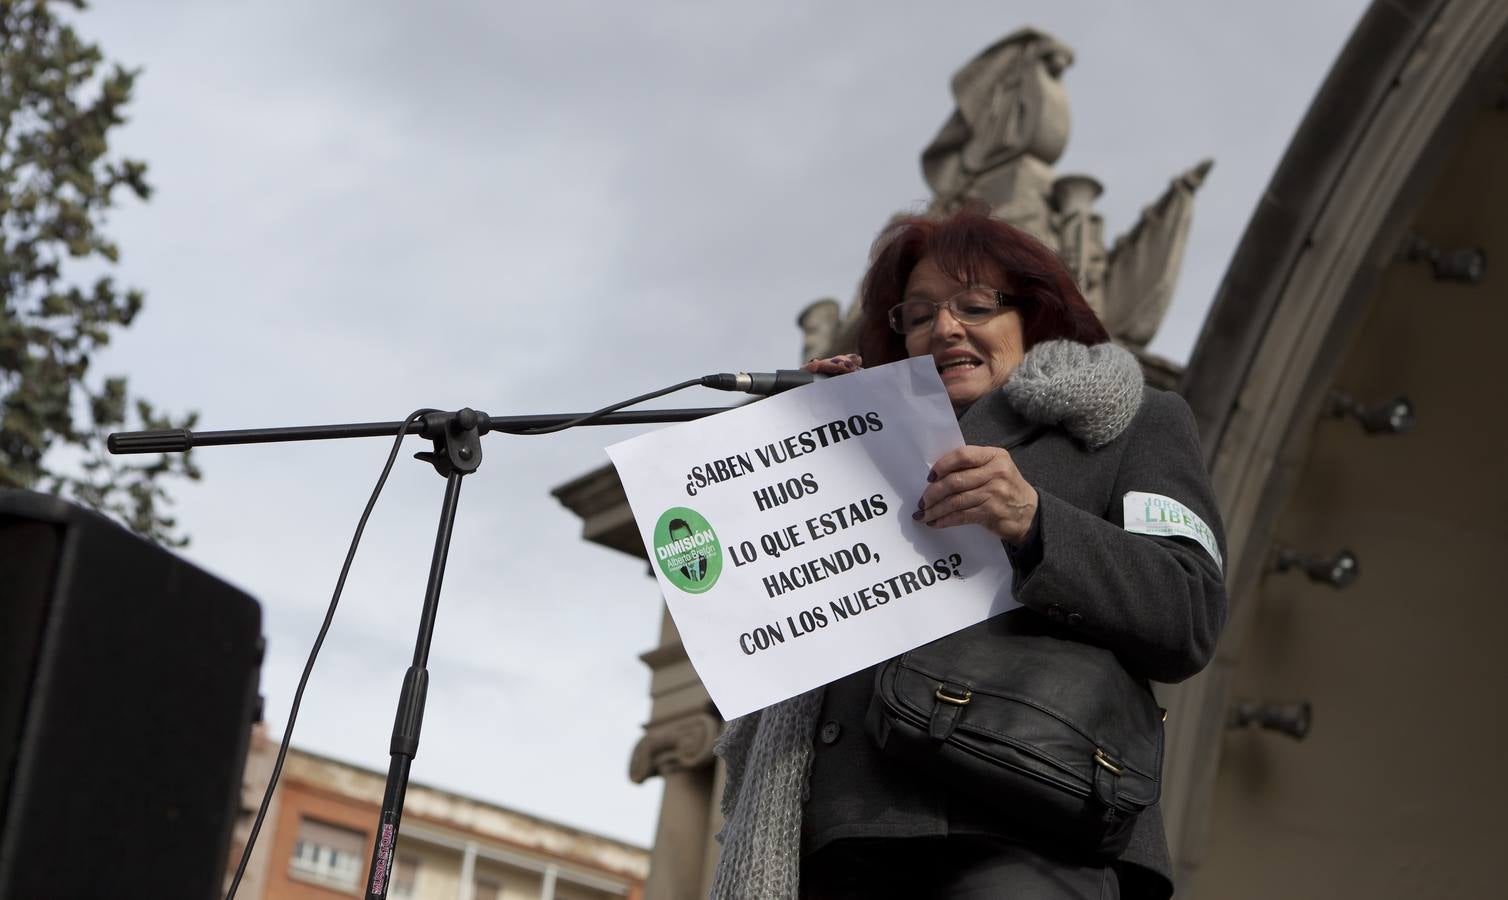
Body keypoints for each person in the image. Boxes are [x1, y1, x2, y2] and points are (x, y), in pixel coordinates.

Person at [710, 208, 1227, 900]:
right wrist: (808, 453)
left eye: (975, 305)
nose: (944, 327)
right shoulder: (856, 445)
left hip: (1031, 827)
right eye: (918, 316)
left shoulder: (1135, 424)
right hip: (841, 842)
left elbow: (1187, 611)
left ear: (1036, 316)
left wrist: (1034, 521)